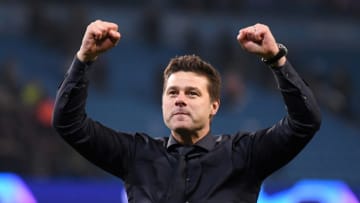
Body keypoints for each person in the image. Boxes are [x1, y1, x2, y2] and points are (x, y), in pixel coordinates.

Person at [52, 20, 321, 203]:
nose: (180, 100)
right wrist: (84, 59)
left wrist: (276, 59)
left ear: (214, 106)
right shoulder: (135, 155)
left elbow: (304, 122)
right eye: (172, 92)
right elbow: (68, 124)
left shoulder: (244, 155)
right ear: (163, 103)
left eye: (192, 93)